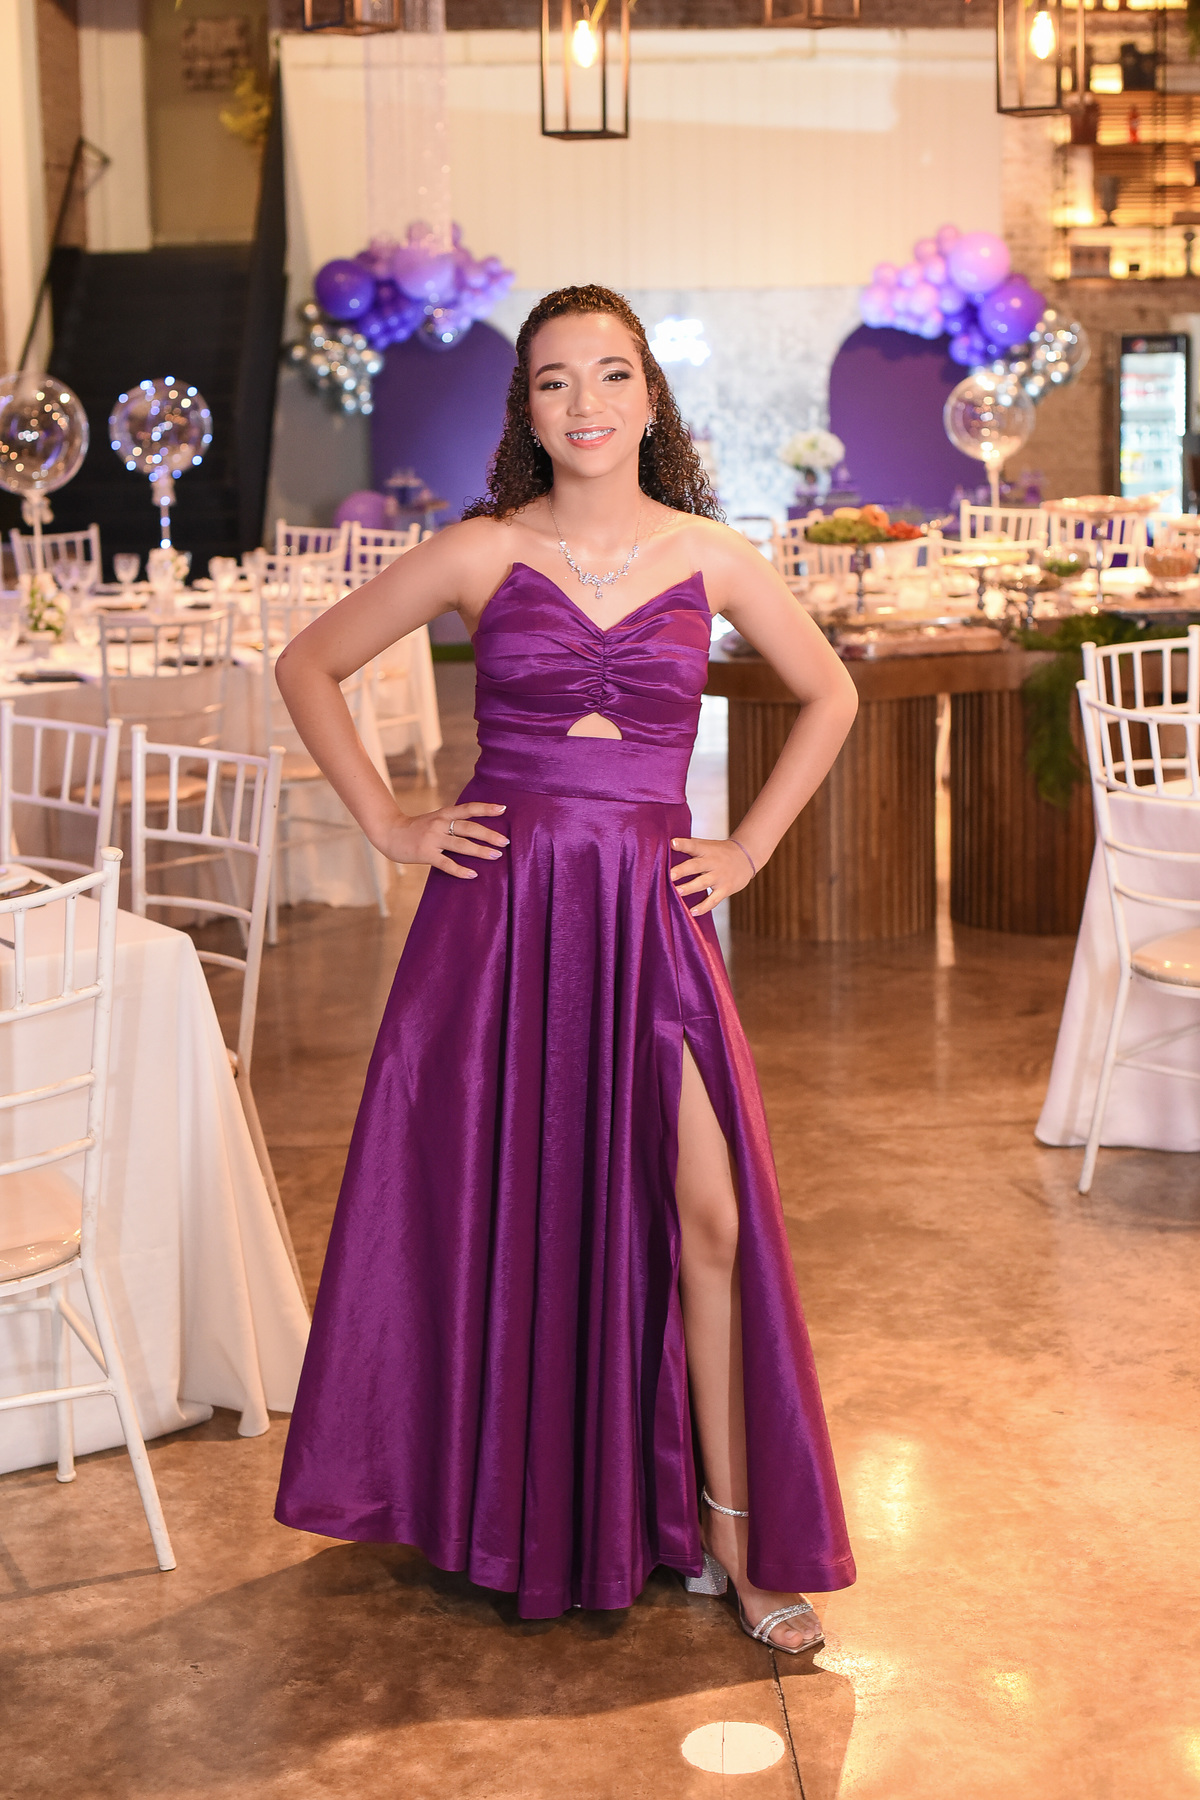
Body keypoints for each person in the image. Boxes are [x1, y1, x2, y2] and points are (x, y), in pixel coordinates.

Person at [275, 285, 859, 1652]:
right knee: (509, 1207)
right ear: (527, 409)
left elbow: (829, 693)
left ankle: (736, 1536)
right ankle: (518, 1513)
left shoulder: (712, 555)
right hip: (499, 924)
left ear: (650, 399)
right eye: (555, 379)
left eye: (610, 375)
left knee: (710, 1216)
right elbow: (307, 666)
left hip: (650, 915)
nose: (585, 402)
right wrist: (393, 825)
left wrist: (752, 846)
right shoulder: (480, 549)